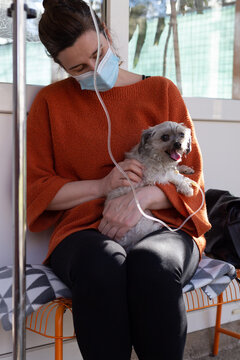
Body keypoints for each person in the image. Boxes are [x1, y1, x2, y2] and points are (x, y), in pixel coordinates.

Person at [27, 1, 211, 359]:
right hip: (85, 231)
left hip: (164, 227)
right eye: (79, 67)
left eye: (99, 53)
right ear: (61, 67)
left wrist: (142, 198)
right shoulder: (51, 103)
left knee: (154, 267)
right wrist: (102, 186)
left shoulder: (162, 92)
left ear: (109, 35)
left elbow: (196, 182)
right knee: (102, 266)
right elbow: (37, 191)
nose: (95, 69)